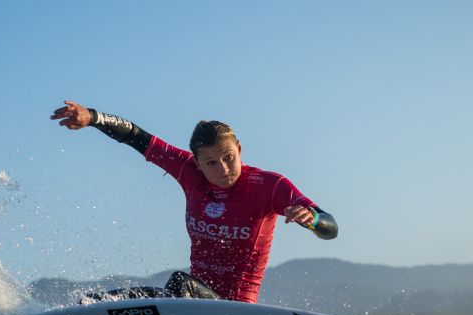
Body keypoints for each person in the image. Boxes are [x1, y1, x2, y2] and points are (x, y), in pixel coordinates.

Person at [50, 100, 337, 304]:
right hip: (192, 301)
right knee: (98, 303)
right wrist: (93, 117)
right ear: (197, 163)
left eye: (229, 158)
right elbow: (136, 137)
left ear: (239, 150)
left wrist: (311, 219)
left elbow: (330, 227)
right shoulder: (188, 171)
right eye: (211, 162)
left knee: (178, 283)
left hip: (235, 310)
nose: (223, 169)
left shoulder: (269, 186)